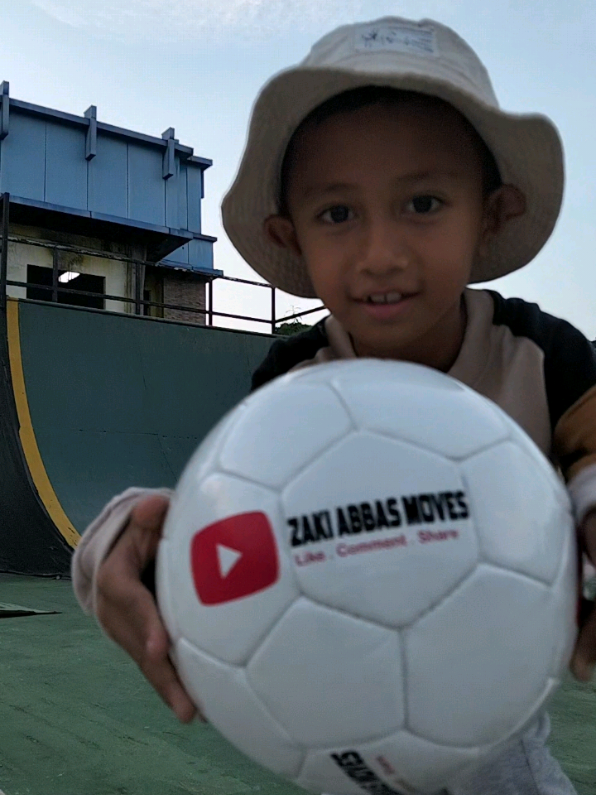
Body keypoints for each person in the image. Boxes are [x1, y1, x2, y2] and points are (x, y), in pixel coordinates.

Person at [72, 16, 596, 794]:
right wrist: (115, 545)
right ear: (294, 239)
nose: (381, 251)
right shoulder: (293, 380)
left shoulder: (540, 349)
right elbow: (230, 519)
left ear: (491, 213)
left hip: (498, 733)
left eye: (422, 202)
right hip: (341, 732)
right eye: (339, 214)